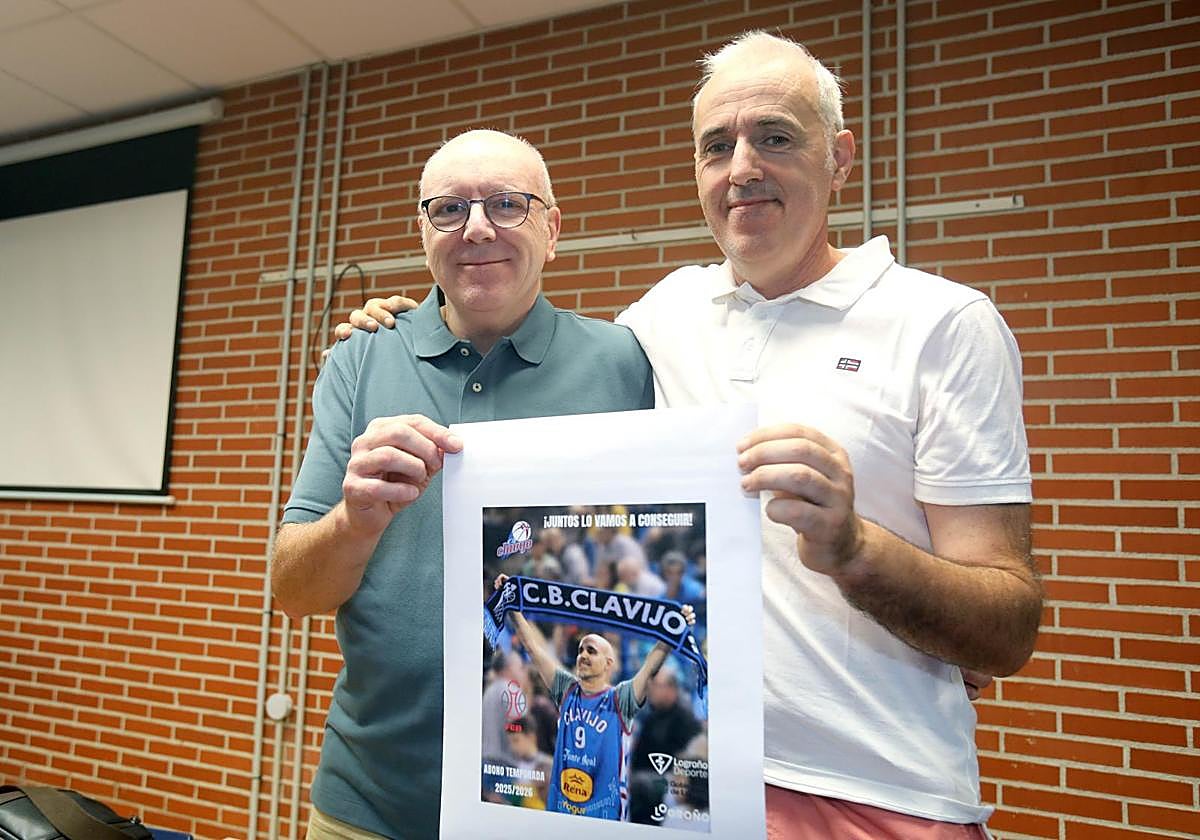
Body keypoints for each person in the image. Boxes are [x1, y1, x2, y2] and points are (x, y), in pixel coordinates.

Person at [337, 31, 1040, 837]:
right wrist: (406, 322)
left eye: (775, 136)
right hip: (681, 793)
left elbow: (1006, 627)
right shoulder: (665, 317)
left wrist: (857, 550)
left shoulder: (942, 323)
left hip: (877, 791)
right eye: (718, 146)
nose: (743, 166)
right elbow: (537, 352)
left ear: (839, 157)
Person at [271, 129, 655, 839]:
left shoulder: (623, 363)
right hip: (370, 804)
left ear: (552, 229)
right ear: (424, 235)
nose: (477, 228)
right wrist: (355, 519)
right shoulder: (360, 359)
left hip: (555, 805)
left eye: (508, 204)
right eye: (449, 210)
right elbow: (293, 592)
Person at [493, 573, 696, 822]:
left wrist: (678, 623)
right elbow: (532, 648)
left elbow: (653, 663)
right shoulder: (566, 689)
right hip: (561, 811)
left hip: (603, 818)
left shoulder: (621, 699)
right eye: (580, 651)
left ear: (609, 663)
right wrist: (512, 605)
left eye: (591, 651)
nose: (583, 655)